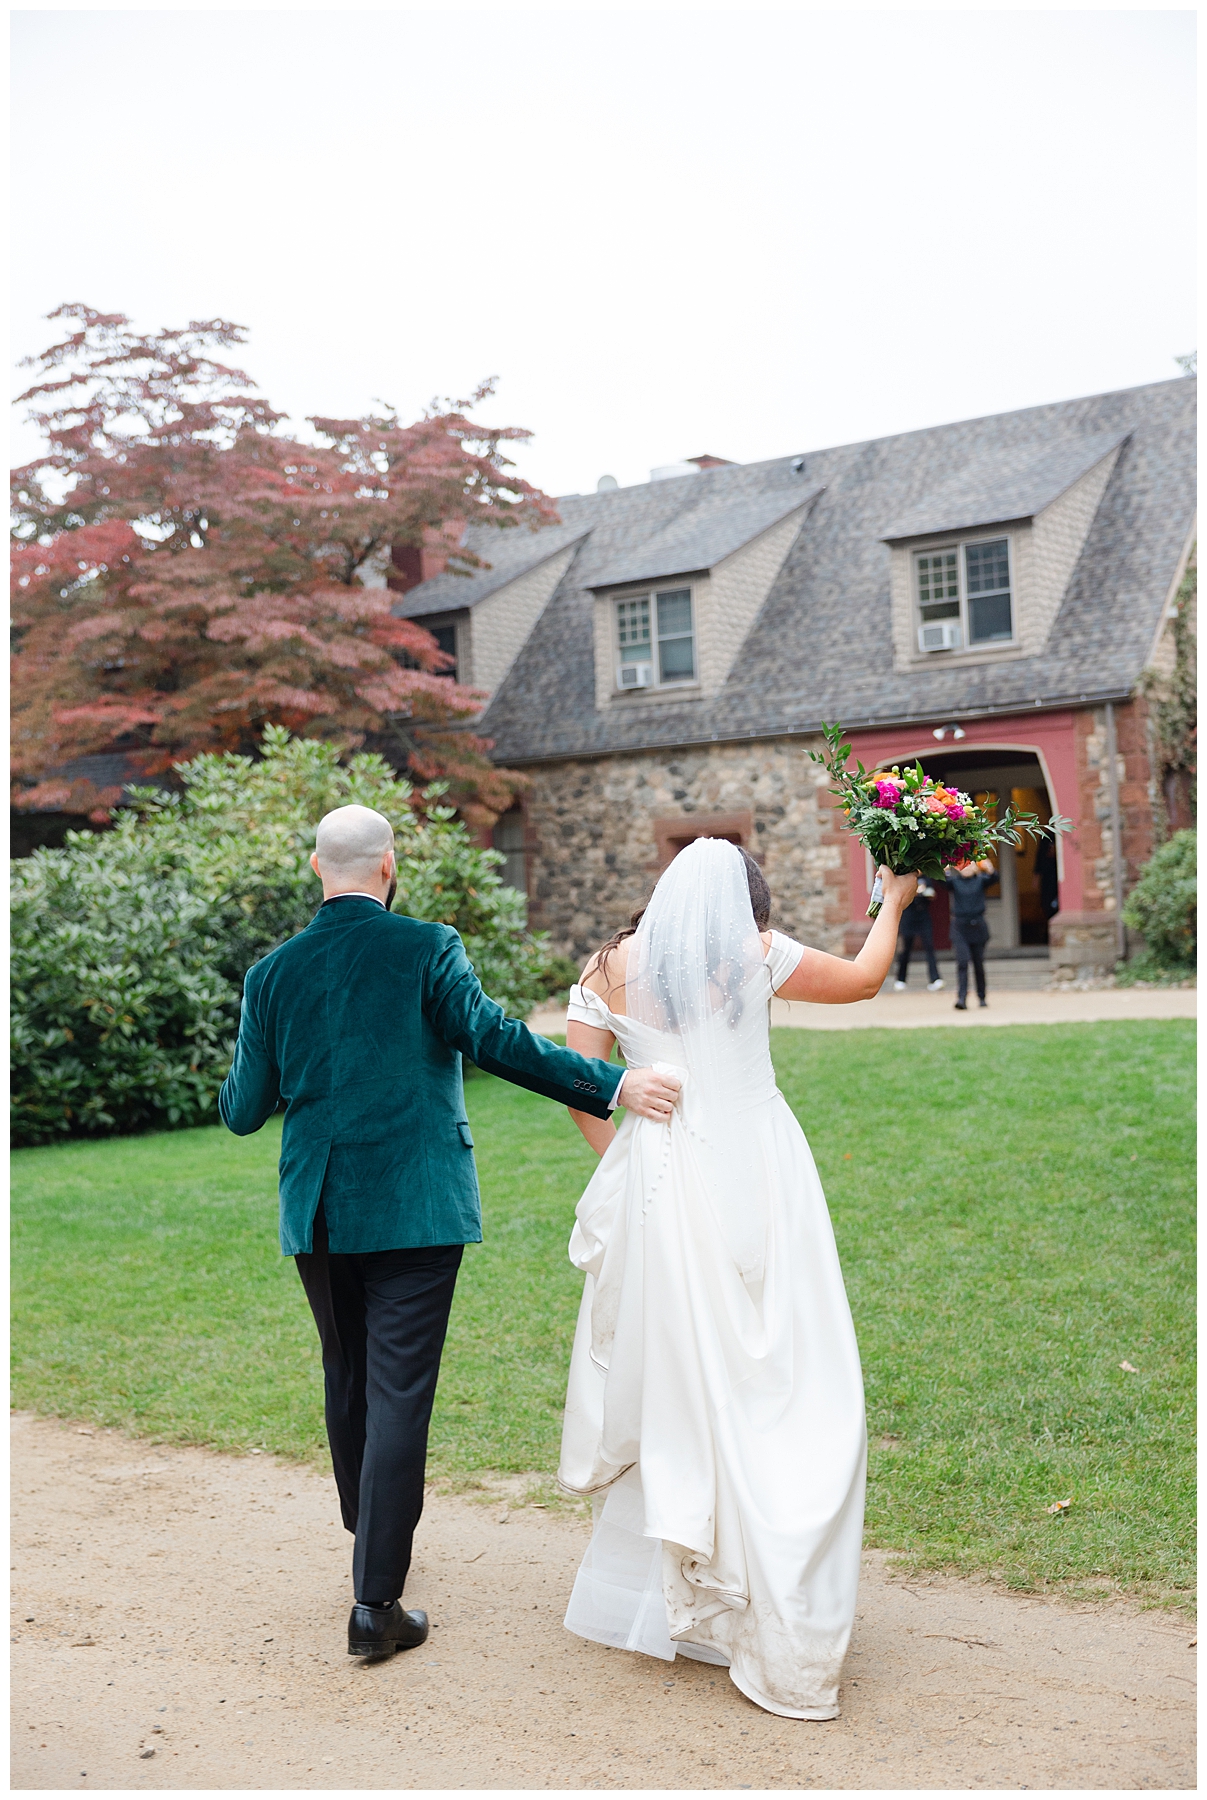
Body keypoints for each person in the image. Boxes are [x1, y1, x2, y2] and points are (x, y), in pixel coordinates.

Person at [218, 804, 681, 1662]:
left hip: (317, 1206)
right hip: (416, 1202)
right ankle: (375, 1601)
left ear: (317, 869)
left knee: (348, 1372)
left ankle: (372, 1539)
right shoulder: (427, 946)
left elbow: (242, 1112)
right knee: (397, 1392)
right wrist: (611, 1085)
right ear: (387, 866)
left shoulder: (270, 974)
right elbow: (495, 1041)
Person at [556, 838, 917, 1720]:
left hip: (662, 1188)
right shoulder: (755, 955)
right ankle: (761, 1585)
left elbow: (579, 1082)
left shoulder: (608, 966)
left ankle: (684, 1585)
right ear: (745, 904)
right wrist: (894, 900)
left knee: (686, 1376)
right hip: (762, 1175)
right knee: (778, 1374)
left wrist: (635, 1158)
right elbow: (867, 977)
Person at [945, 857, 996, 1009]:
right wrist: (945, 870)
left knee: (978, 963)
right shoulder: (955, 882)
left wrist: (989, 868)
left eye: (969, 865)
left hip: (978, 926)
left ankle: (982, 996)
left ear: (976, 867)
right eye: (963, 866)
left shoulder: (981, 880)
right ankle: (961, 998)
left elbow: (994, 878)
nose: (966, 868)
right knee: (962, 962)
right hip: (960, 927)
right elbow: (941, 881)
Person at [893, 879, 944, 991]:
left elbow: (931, 894)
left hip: (923, 915)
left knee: (929, 947)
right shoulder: (906, 876)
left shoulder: (926, 878)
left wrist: (924, 892)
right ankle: (901, 979)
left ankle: (935, 978)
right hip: (908, 916)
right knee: (906, 949)